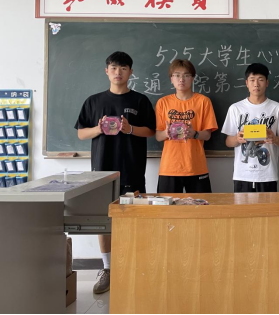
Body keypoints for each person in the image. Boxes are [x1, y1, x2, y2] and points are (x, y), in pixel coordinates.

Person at [75, 51, 156, 294]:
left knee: (133, 218)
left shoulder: (140, 100)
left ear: (130, 72)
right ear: (106, 71)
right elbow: (81, 133)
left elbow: (151, 131)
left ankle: (133, 265)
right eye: (113, 68)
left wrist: (130, 129)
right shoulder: (93, 101)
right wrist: (98, 129)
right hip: (102, 171)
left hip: (132, 169)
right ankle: (108, 268)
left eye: (123, 68)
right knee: (104, 220)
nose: (118, 72)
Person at [222, 63, 279, 193]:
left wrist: (274, 139)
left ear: (267, 83)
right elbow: (228, 142)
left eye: (260, 80)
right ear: (246, 83)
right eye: (252, 80)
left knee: (269, 207)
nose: (256, 84)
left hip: (268, 175)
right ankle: (246, 157)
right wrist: (237, 139)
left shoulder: (277, 108)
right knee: (242, 208)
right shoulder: (235, 108)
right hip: (242, 175)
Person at [156, 59, 218, 194]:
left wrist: (194, 134)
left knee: (201, 206)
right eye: (177, 75)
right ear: (171, 79)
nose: (181, 79)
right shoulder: (163, 102)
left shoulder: (203, 101)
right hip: (169, 167)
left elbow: (207, 135)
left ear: (193, 78)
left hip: (196, 166)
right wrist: (166, 133)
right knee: (166, 207)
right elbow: (158, 136)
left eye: (186, 75)